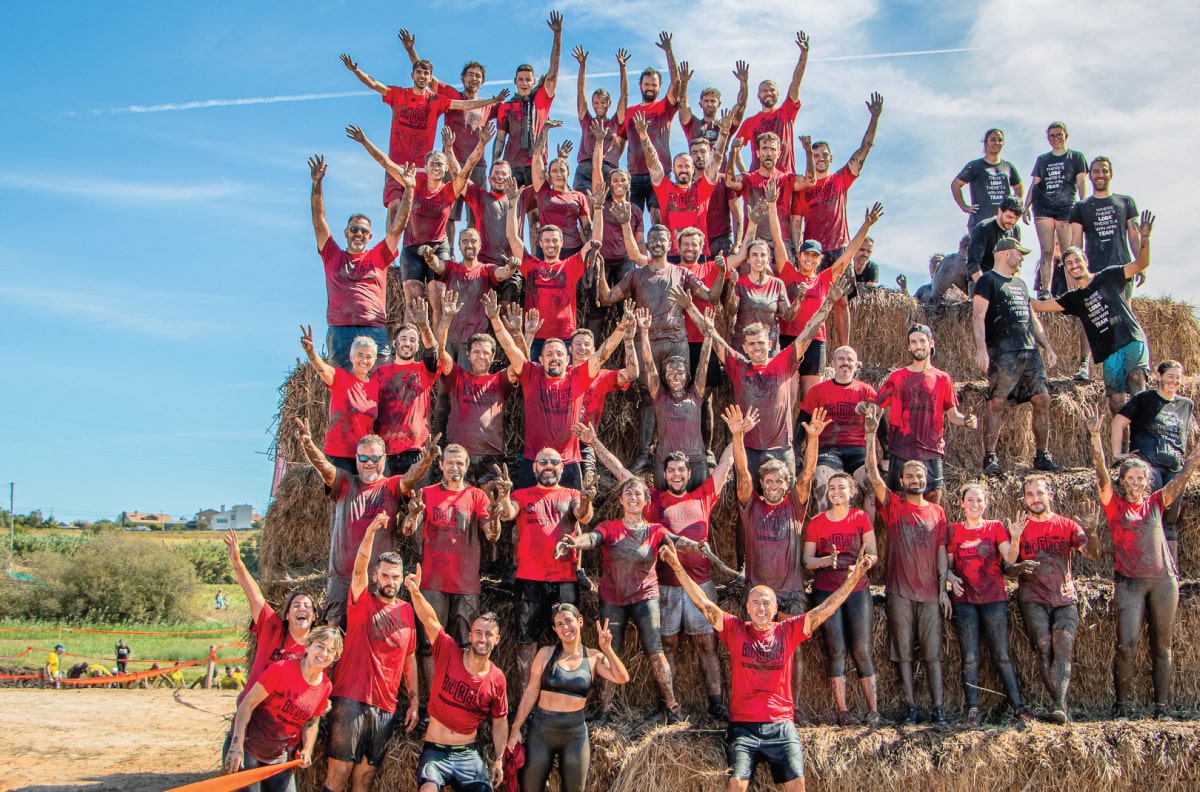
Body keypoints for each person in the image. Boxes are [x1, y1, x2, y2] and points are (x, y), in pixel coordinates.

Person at [659, 536, 872, 792]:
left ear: (775, 609)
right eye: (756, 602)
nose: (761, 607)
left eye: (766, 603)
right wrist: (677, 567)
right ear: (747, 608)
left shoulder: (788, 631)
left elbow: (825, 610)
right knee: (736, 783)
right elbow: (704, 605)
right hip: (744, 726)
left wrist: (853, 579)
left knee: (798, 785)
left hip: (781, 726)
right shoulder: (735, 629)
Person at [575, 416, 739, 722]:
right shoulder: (652, 501)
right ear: (664, 474)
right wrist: (593, 442)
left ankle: (716, 703)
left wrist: (736, 436)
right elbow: (620, 471)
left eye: (681, 470)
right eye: (671, 470)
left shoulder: (703, 496)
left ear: (689, 473)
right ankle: (668, 706)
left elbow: (727, 464)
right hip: (664, 586)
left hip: (700, 586)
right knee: (667, 645)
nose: (676, 474)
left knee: (706, 644)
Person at [1086, 405, 1200, 721]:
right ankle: (1122, 705)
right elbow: (1100, 473)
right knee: (1127, 644)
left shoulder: (1156, 502)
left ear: (1148, 481)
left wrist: (1196, 455)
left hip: (1164, 581)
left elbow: (1183, 478)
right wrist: (1095, 437)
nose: (1135, 482)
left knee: (1162, 647)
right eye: (1130, 477)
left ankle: (1161, 707)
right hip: (1130, 582)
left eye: (1140, 477)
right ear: (1122, 480)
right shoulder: (1113, 504)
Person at [597, 219, 725, 473]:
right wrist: (600, 269)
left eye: (661, 239)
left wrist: (721, 272)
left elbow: (711, 296)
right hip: (646, 341)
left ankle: (686, 452)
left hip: (676, 342)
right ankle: (645, 454)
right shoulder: (636, 275)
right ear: (647, 244)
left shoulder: (681, 273)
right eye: (653, 239)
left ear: (670, 245)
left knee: (681, 395)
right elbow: (607, 297)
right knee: (648, 397)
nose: (657, 243)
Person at [729, 403, 830, 723]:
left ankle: (792, 708)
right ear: (763, 485)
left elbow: (808, 473)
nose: (773, 487)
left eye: (778, 483)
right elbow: (742, 473)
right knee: (755, 651)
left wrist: (812, 439)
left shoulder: (795, 507)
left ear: (787, 485)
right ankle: (757, 705)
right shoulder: (751, 506)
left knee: (793, 650)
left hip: (791, 593)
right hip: (759, 594)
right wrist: (737, 437)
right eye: (768, 482)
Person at [556, 477, 682, 723]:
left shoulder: (655, 530)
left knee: (655, 650)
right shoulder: (610, 527)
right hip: (612, 598)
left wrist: (698, 546)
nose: (633, 498)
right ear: (621, 499)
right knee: (610, 650)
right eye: (629, 494)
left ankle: (672, 706)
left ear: (646, 501)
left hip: (645, 596)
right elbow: (592, 538)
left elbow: (678, 542)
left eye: (638, 494)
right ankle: (605, 709)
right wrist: (575, 542)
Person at [339, 52, 506, 232]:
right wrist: (357, 71)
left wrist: (493, 100)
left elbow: (466, 105)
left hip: (424, 167)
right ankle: (391, 248)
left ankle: (416, 246)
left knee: (417, 211)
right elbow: (374, 84)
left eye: (426, 73)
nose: (422, 76)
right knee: (396, 207)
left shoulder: (436, 101)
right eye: (419, 72)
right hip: (399, 163)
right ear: (412, 75)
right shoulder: (400, 94)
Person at [294, 418, 436, 627]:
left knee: (375, 635)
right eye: (363, 457)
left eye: (375, 457)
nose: (369, 462)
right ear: (356, 458)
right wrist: (307, 443)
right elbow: (323, 466)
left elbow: (410, 478)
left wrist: (426, 460)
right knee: (334, 634)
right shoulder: (344, 482)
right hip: (342, 579)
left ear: (384, 458)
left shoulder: (391, 486)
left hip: (376, 582)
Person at [861, 403, 950, 725]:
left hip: (929, 592)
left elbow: (942, 551)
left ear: (927, 480)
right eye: (910, 475)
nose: (915, 479)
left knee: (933, 652)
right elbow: (872, 475)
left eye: (920, 475)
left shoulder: (937, 513)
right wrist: (870, 435)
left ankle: (938, 707)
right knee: (903, 651)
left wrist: (943, 588)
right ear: (901, 479)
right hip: (899, 591)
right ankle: (911, 705)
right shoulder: (895, 506)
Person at [347, 123, 496, 314]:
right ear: (425, 167)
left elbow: (467, 168)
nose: (436, 167)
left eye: (440, 164)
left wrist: (481, 144)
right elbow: (386, 163)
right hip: (413, 248)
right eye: (432, 164)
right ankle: (410, 333)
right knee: (413, 304)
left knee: (438, 299)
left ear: (445, 169)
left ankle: (438, 335)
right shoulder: (414, 182)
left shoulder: (450, 189)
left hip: (438, 247)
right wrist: (365, 141)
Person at [323, 514, 420, 792]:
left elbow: (409, 658)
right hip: (350, 700)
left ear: (401, 579)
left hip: (385, 707)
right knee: (338, 773)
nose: (390, 581)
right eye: (385, 575)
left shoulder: (406, 611)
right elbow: (358, 569)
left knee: (364, 778)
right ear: (375, 576)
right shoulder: (361, 602)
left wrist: (414, 700)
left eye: (395, 577)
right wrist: (370, 532)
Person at [402, 444, 503, 691]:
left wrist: (495, 518)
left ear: (466, 466)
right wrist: (412, 514)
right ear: (440, 465)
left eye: (459, 463)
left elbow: (492, 535)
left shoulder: (477, 496)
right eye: (450, 462)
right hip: (432, 583)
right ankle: (433, 698)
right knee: (429, 644)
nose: (454, 467)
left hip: (465, 584)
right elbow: (407, 530)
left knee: (465, 645)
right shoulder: (427, 493)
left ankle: (459, 695)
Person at [494, 446, 595, 690]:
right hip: (529, 579)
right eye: (543, 462)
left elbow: (584, 517)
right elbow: (507, 514)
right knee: (526, 640)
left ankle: (564, 692)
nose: (548, 466)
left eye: (554, 462)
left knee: (568, 638)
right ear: (534, 467)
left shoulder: (571, 493)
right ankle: (526, 694)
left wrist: (586, 499)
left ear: (562, 467)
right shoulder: (522, 494)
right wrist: (504, 496)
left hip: (564, 579)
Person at [1031, 211, 1155, 407]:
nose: (1074, 266)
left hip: (1131, 339)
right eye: (1069, 263)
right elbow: (1038, 305)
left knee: (1136, 386)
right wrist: (1010, 287)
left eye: (1077, 260)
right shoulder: (1074, 298)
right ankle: (1122, 430)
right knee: (1115, 401)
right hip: (1109, 351)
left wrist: (1145, 238)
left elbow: (1141, 263)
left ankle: (1143, 427)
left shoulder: (1109, 276)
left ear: (1086, 261)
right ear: (1066, 269)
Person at [788, 93, 883, 347]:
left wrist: (874, 119)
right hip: (814, 252)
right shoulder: (803, 188)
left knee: (841, 300)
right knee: (812, 299)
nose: (820, 158)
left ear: (831, 158)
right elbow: (795, 223)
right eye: (816, 154)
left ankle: (844, 349)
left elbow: (863, 151)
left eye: (824, 155)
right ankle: (807, 346)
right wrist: (797, 250)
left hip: (839, 248)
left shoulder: (840, 179)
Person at [402, 566, 509, 792]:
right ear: (470, 635)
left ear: (497, 639)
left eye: (488, 634)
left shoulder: (497, 678)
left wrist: (499, 758)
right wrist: (415, 592)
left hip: (467, 753)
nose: (482, 639)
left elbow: (500, 721)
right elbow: (430, 620)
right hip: (435, 750)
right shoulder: (449, 651)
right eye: (478, 633)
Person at [308, 148, 415, 370]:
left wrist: (409, 190)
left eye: (364, 231)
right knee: (342, 385)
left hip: (374, 328)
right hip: (340, 331)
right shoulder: (332, 254)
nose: (359, 234)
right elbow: (319, 220)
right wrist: (317, 185)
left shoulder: (378, 256)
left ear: (370, 236)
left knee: (380, 384)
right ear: (346, 233)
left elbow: (398, 228)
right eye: (354, 229)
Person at [506, 605, 630, 792]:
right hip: (542, 731)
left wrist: (607, 649)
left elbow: (622, 677)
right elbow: (531, 692)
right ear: (555, 629)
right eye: (559, 624)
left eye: (569, 621)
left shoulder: (593, 657)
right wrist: (515, 728)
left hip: (574, 734)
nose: (565, 627)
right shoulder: (545, 654)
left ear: (580, 622)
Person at [396, 30, 497, 252]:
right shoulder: (451, 96)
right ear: (463, 78)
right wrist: (411, 51)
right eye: (470, 75)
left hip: (477, 165)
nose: (473, 78)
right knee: (448, 211)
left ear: (482, 81)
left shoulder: (489, 105)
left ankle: (474, 255)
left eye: (477, 76)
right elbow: (427, 78)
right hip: (451, 163)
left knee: (477, 213)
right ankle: (448, 252)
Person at [1011, 474, 1100, 723]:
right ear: (1024, 499)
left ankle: (1059, 706)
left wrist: (1092, 533)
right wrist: (1017, 567)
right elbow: (1006, 566)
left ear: (1050, 495)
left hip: (1064, 597)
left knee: (1063, 647)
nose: (1035, 499)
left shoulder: (1067, 525)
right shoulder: (1019, 528)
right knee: (1044, 647)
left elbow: (1093, 554)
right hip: (1033, 597)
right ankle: (1060, 704)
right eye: (1030, 494)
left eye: (1040, 493)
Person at [972, 238, 1062, 475]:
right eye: (1018, 253)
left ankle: (1042, 455)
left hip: (1030, 352)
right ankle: (990, 457)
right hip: (1003, 352)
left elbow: (1033, 318)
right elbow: (978, 316)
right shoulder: (987, 281)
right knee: (997, 402)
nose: (1021, 258)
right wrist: (981, 349)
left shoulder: (1020, 283)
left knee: (1042, 398)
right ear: (1005, 254)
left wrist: (1047, 347)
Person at [944, 482, 1032, 726]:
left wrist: (1015, 538)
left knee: (1001, 654)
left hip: (993, 598)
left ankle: (1018, 706)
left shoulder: (995, 527)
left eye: (979, 500)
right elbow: (947, 566)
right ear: (962, 504)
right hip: (965, 601)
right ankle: (973, 709)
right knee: (970, 656)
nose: (975, 504)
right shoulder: (953, 531)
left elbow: (1010, 558)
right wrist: (950, 578)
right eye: (970, 500)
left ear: (986, 503)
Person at [777, 202, 883, 397]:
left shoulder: (824, 279)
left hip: (815, 340)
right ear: (799, 256)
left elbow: (848, 254)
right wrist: (770, 206)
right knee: (787, 395)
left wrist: (866, 225)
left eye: (814, 256)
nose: (810, 259)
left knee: (811, 396)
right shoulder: (788, 273)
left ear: (819, 260)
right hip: (789, 338)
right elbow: (777, 240)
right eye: (806, 254)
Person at [801, 471, 880, 726]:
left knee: (861, 649)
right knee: (836, 650)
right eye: (832, 487)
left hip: (857, 590)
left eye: (842, 488)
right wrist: (827, 561)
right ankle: (843, 711)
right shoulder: (816, 522)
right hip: (827, 591)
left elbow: (873, 553)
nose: (836, 492)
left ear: (852, 492)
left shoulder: (860, 517)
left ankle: (874, 710)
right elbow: (807, 561)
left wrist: (864, 563)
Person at [224, 626, 343, 792]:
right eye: (320, 646)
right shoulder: (281, 669)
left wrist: (307, 749)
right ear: (308, 646)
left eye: (331, 650)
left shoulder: (325, 686)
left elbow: (312, 722)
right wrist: (236, 746)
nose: (324, 653)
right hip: (249, 748)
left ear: (335, 657)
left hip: (278, 757)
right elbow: (247, 704)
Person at [505, 174, 605, 364]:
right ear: (540, 243)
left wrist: (598, 209)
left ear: (561, 242)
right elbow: (512, 237)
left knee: (566, 381)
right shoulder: (531, 264)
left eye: (554, 240)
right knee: (531, 379)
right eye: (547, 241)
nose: (551, 244)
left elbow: (595, 242)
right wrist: (512, 204)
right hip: (534, 335)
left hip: (565, 337)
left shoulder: (571, 265)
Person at [873, 324, 976, 504]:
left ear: (931, 343)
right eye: (913, 342)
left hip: (931, 452)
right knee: (898, 508)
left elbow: (953, 416)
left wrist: (967, 420)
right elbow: (876, 408)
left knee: (932, 506)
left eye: (922, 341)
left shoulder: (943, 378)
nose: (918, 345)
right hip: (901, 451)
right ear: (908, 346)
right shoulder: (897, 377)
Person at [1112, 359, 1196, 562]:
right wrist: (1118, 454)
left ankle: (1171, 571)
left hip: (1174, 466)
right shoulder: (1144, 399)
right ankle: (1146, 565)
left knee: (1170, 520)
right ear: (1158, 376)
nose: (1174, 381)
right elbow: (1118, 422)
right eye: (1170, 376)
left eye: (1178, 377)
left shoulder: (1186, 405)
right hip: (1149, 465)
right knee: (1151, 515)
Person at [224, 529, 316, 701]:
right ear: (287, 615)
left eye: (307, 606)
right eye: (296, 605)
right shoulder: (271, 628)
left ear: (314, 616)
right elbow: (254, 595)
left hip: (284, 716)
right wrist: (237, 561)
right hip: (254, 711)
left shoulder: (316, 649)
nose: (301, 608)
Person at [635, 104, 731, 257]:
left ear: (693, 169)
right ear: (673, 169)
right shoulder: (665, 188)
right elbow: (653, 163)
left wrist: (723, 134)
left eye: (687, 166)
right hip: (672, 255)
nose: (684, 169)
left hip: (698, 254)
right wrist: (643, 137)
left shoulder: (702, 188)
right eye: (679, 166)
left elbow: (715, 161)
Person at [800, 345, 878, 515]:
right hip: (828, 450)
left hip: (857, 450)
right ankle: (825, 527)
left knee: (873, 485)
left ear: (856, 365)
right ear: (833, 363)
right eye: (841, 359)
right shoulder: (818, 391)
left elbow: (882, 426)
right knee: (821, 483)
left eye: (850, 360)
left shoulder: (866, 391)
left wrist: (886, 456)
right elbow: (802, 423)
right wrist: (795, 454)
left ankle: (868, 530)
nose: (845, 363)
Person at [374, 298, 447, 478]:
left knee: (418, 496)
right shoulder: (380, 373)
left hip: (417, 448)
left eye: (412, 340)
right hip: (385, 451)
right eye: (403, 339)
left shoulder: (424, 370)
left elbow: (433, 352)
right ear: (394, 343)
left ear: (417, 345)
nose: (407, 343)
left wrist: (423, 325)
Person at [493, 12, 563, 188]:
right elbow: (500, 138)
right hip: (512, 164)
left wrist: (557, 35)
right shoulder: (506, 107)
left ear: (533, 81)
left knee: (538, 205)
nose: (524, 83)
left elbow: (553, 71)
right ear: (515, 81)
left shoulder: (541, 99)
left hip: (537, 162)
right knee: (511, 204)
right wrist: (495, 164)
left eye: (528, 80)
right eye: (521, 79)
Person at [615, 32, 680, 225]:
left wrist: (669, 51)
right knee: (632, 219)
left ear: (660, 87)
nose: (650, 88)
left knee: (658, 216)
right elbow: (620, 142)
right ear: (640, 85)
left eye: (654, 85)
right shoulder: (630, 112)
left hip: (659, 171)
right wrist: (612, 165)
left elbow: (676, 84)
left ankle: (660, 245)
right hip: (634, 174)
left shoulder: (664, 107)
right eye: (647, 84)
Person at [299, 324, 379, 476]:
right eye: (360, 355)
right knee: (339, 491)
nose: (364, 360)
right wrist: (311, 353)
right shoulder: (340, 377)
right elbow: (321, 368)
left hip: (364, 457)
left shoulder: (375, 385)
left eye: (369, 356)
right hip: (339, 454)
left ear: (374, 359)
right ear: (351, 357)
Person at [1024, 122, 1089, 298]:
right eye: (1052, 136)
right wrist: (1026, 206)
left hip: (1066, 207)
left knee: (1069, 251)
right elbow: (1035, 184)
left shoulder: (1076, 157)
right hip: (1043, 207)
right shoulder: (1043, 159)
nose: (1056, 138)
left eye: (1059, 135)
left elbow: (1082, 182)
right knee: (1047, 250)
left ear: (1066, 136)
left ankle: (1074, 292)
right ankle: (1045, 290)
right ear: (1048, 139)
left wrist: (1084, 204)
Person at [734, 31, 810, 174]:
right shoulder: (750, 122)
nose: (768, 93)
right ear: (758, 95)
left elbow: (796, 82)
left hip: (785, 178)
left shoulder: (786, 112)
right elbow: (735, 149)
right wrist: (746, 175)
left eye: (772, 90)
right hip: (758, 182)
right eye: (764, 90)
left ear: (778, 94)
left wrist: (804, 56)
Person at [1069, 156, 1141, 274]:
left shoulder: (1126, 202)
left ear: (1111, 174)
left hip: (1123, 267)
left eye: (1105, 171)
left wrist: (1140, 263)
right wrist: (1077, 271)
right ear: (1090, 176)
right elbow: (1076, 243)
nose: (1100, 175)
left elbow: (1134, 237)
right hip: (1093, 271)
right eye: (1096, 171)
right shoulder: (1080, 207)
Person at [570, 46, 627, 194]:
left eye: (603, 102)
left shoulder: (614, 123)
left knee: (608, 204)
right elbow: (581, 92)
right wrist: (582, 66)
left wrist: (622, 68)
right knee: (582, 202)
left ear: (609, 104)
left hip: (607, 167)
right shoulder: (587, 121)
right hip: (586, 167)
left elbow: (624, 97)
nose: (599, 106)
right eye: (596, 102)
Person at [951, 128, 1024, 232]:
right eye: (993, 140)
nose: (997, 143)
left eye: (1000, 140)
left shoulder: (1008, 166)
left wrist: (1015, 207)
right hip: (980, 221)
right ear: (985, 143)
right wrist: (964, 207)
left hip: (1004, 222)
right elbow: (956, 185)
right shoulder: (975, 166)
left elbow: (1019, 188)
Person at [677, 60, 750, 149]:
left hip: (721, 158)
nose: (709, 104)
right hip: (698, 158)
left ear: (719, 104)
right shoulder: (692, 124)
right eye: (706, 101)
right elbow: (682, 104)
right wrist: (684, 83)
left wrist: (743, 82)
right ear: (700, 104)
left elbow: (741, 105)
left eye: (713, 101)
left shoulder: (726, 124)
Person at [966, 196, 1024, 283]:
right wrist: (984, 286)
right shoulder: (983, 229)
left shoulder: (1015, 230)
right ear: (1000, 211)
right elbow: (973, 263)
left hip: (1004, 282)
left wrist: (1013, 283)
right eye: (1009, 217)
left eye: (1016, 219)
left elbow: (1017, 262)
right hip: (981, 279)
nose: (1012, 221)